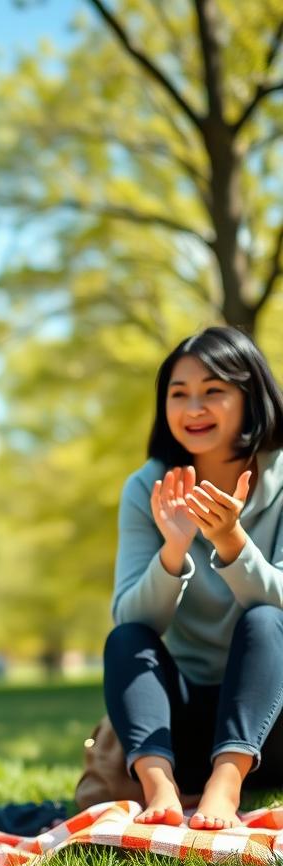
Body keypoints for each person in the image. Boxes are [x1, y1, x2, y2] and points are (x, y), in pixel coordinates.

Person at [104, 326, 283, 830]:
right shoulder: (148, 487)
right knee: (126, 639)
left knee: (267, 619)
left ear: (250, 396)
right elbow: (132, 617)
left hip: (272, 717)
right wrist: (175, 546)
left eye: (213, 391)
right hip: (182, 722)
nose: (193, 408)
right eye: (178, 394)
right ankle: (159, 788)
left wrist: (230, 541)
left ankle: (226, 785)